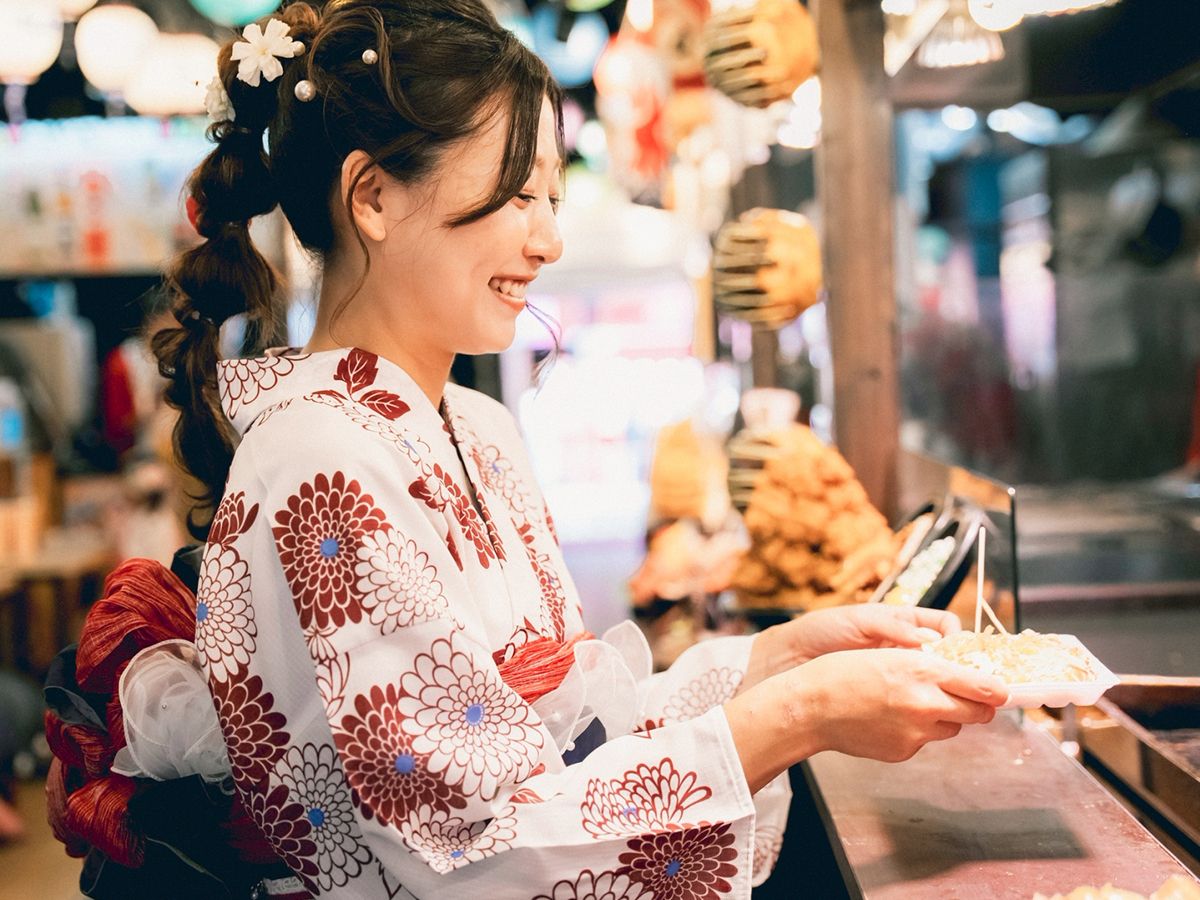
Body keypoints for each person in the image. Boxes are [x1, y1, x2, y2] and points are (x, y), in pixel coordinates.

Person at [152, 2, 1008, 897]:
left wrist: (784, 661)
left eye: (551, 199)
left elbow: (566, 740)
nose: (549, 241)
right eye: (518, 195)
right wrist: (800, 716)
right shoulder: (320, 457)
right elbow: (475, 853)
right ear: (373, 197)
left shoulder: (476, 427)